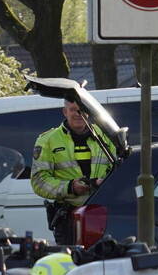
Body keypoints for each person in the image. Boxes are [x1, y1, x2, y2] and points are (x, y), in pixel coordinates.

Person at [30, 99, 117, 245]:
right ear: (65, 112)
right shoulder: (48, 140)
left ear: (88, 112)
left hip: (102, 215)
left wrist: (105, 183)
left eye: (82, 110)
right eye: (73, 110)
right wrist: (70, 187)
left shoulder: (105, 136)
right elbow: (39, 181)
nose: (78, 114)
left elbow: (118, 170)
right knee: (71, 263)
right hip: (69, 218)